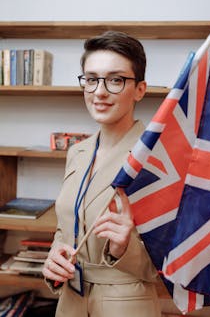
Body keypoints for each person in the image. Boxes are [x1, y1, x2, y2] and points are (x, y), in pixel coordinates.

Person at [42, 31, 162, 317]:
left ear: (140, 90)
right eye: (92, 78)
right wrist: (54, 258)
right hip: (69, 303)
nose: (99, 91)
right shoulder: (78, 152)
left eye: (116, 80)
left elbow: (172, 261)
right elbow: (67, 229)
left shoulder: (157, 158)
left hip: (124, 306)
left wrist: (124, 246)